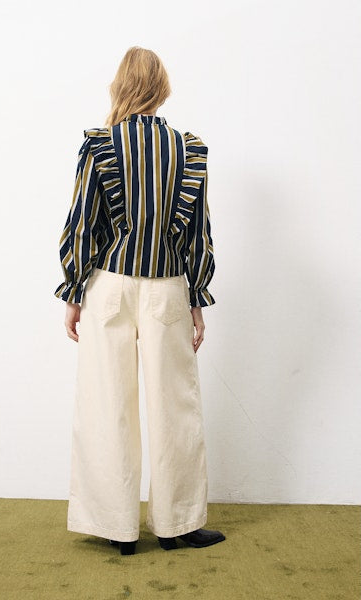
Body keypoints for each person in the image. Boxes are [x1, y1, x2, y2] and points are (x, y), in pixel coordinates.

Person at [54, 46, 225, 555]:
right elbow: (197, 232)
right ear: (161, 87)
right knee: (175, 405)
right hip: (167, 286)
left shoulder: (100, 144)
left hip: (109, 286)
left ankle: (117, 528)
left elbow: (82, 223)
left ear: (121, 84)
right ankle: (178, 525)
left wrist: (73, 292)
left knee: (106, 402)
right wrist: (196, 300)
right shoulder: (188, 149)